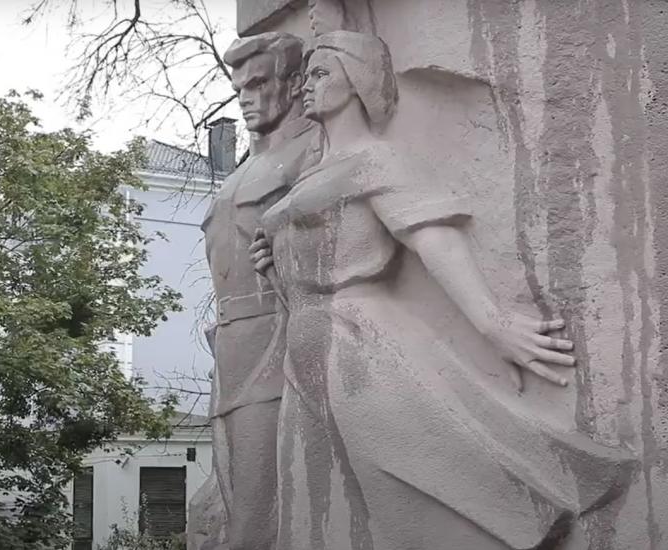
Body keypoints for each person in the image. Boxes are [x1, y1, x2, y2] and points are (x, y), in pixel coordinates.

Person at [250, 31, 635, 550]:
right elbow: (301, 276)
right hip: (307, 345)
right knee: (328, 508)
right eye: (306, 77)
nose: (306, 87)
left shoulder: (378, 161)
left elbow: (433, 239)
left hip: (358, 344)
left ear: (356, 79)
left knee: (411, 489)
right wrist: (271, 266)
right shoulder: (309, 174)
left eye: (321, 73)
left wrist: (491, 322)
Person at [201, 32, 321, 550]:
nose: (246, 97)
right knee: (229, 497)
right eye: (239, 88)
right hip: (229, 342)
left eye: (259, 83)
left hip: (278, 334)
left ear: (294, 84)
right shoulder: (244, 170)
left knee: (255, 503)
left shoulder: (314, 150)